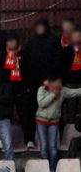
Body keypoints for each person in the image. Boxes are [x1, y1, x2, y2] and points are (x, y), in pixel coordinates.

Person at [22, 19, 61, 150]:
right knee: (31, 110)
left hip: (50, 83)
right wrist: (27, 82)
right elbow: (26, 63)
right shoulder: (32, 42)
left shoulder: (54, 41)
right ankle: (30, 139)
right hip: (34, 84)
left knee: (53, 110)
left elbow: (58, 61)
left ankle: (55, 140)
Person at [38, 76, 81, 172]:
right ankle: (44, 170)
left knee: (53, 147)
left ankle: (53, 170)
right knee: (44, 147)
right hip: (41, 121)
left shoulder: (62, 91)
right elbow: (42, 104)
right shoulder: (42, 90)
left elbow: (77, 92)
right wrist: (53, 94)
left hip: (54, 122)